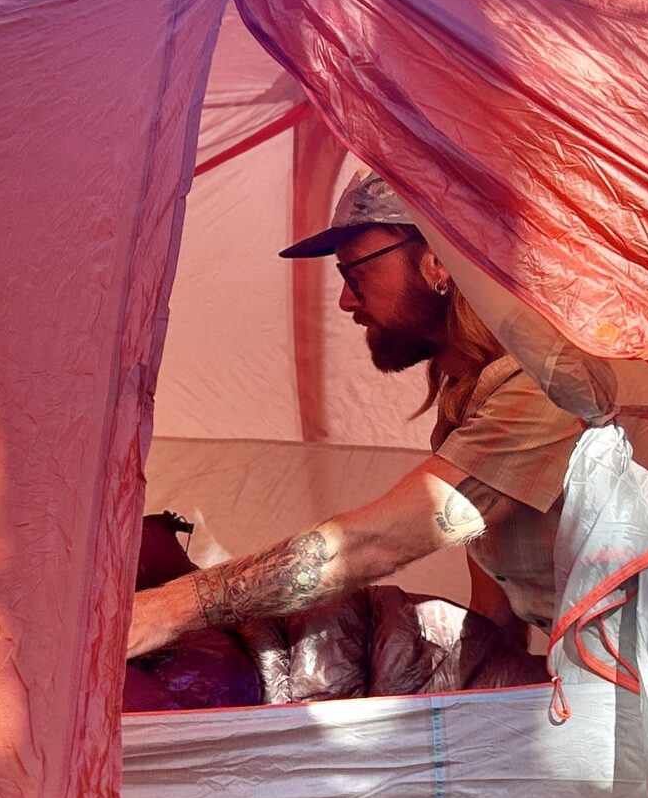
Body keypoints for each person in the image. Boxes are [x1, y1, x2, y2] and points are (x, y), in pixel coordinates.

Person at [126, 174, 585, 663]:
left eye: (355, 273)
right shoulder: (471, 395)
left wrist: (164, 612)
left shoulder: (546, 388)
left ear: (437, 259)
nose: (347, 300)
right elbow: (497, 621)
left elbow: (374, 544)